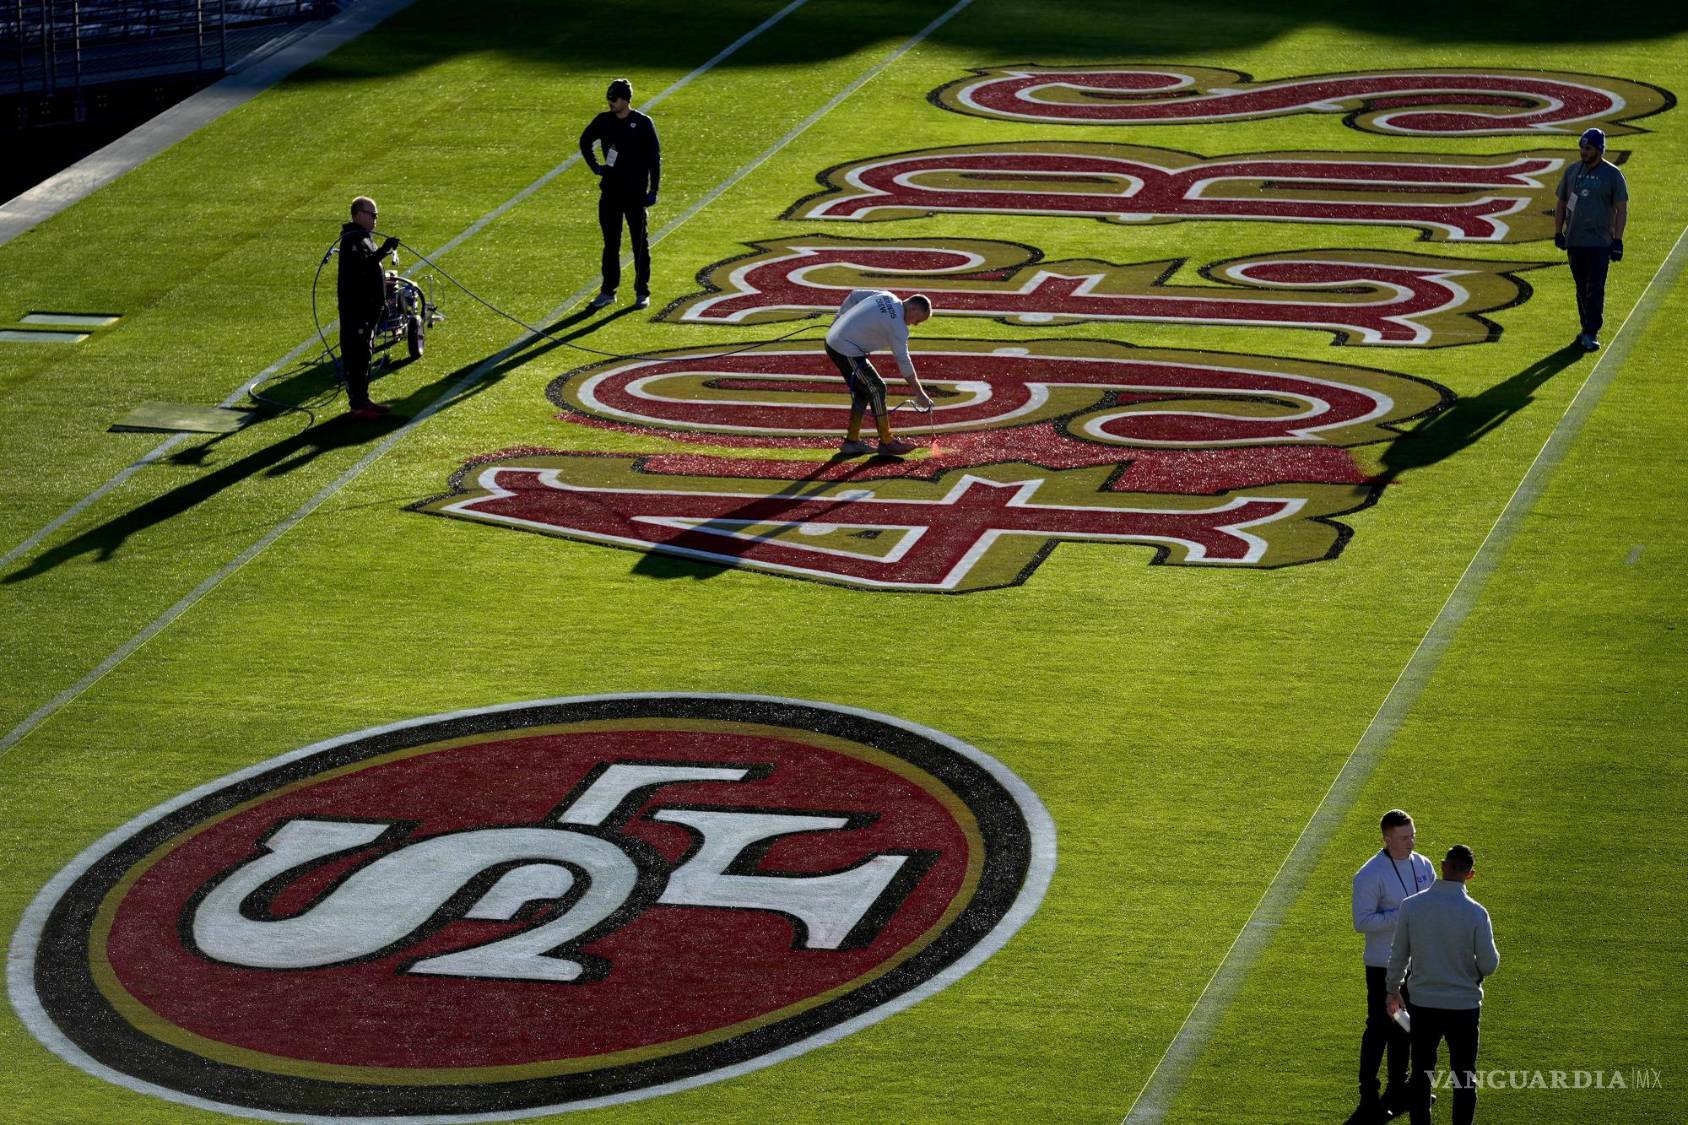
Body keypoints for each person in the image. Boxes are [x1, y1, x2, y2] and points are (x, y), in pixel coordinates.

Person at [1386, 845, 1500, 1125]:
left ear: (1443, 865)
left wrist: (1393, 989)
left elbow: (1399, 954)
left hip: (1424, 1004)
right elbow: (1489, 964)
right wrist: (1469, 971)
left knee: (1422, 1073)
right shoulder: (1476, 913)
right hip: (1464, 1006)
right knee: (1464, 1076)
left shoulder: (1412, 906)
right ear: (1470, 874)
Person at [1348, 809, 1436, 1122]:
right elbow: (1362, 922)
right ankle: (1369, 1095)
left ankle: (1399, 1088)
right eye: (1404, 837)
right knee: (1379, 1028)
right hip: (1383, 967)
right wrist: (1404, 915)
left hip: (1417, 965)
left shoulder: (1423, 864)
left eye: (1413, 835)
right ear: (1387, 839)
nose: (1411, 842)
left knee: (1406, 1027)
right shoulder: (1370, 874)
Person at [579, 78, 661, 310]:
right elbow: (585, 141)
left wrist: (653, 189)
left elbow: (654, 158)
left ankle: (642, 291)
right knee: (610, 245)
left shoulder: (642, 123)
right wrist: (596, 167)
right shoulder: (604, 121)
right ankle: (608, 291)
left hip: (635, 194)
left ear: (626, 99)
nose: (610, 103)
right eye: (609, 98)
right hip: (611, 192)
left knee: (639, 245)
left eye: (614, 99)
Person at [823, 289, 936, 456]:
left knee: (864, 389)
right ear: (914, 309)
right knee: (877, 388)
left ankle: (851, 442)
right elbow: (903, 360)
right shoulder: (898, 327)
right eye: (918, 320)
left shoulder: (886, 296)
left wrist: (837, 321)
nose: (915, 324)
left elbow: (854, 295)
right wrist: (919, 393)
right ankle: (886, 442)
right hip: (845, 350)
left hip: (834, 341)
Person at [1553, 127, 1628, 352]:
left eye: (1588, 148)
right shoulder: (1572, 171)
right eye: (1582, 147)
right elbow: (1561, 203)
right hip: (1575, 240)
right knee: (1581, 287)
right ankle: (1585, 327)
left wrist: (1618, 240)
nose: (1583, 152)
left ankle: (1591, 332)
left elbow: (1621, 209)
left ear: (1599, 149)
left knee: (1595, 287)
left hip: (1600, 242)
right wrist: (1558, 232)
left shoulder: (1612, 174)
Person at [337, 196, 398, 421]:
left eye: (376, 215)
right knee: (357, 358)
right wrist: (384, 250)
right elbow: (363, 268)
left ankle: (364, 399)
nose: (375, 219)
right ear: (357, 215)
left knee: (365, 356)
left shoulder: (363, 238)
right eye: (371, 215)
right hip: (357, 312)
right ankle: (358, 404)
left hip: (367, 311)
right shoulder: (352, 241)